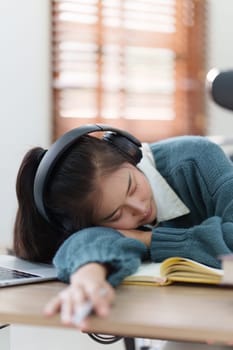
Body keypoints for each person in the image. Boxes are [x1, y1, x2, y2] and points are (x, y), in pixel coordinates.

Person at [13, 124, 233, 347]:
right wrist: (88, 272)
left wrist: (150, 240)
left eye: (132, 187)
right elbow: (89, 241)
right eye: (117, 214)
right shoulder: (103, 217)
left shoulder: (197, 158)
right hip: (199, 316)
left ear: (129, 153)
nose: (139, 208)